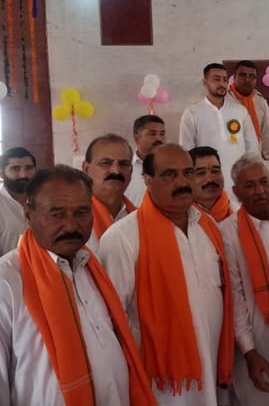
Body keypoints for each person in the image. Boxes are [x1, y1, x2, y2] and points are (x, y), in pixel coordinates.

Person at [0, 165, 157, 406]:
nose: (71, 226)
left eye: (82, 212)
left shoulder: (92, 268)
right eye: (57, 214)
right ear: (29, 214)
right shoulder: (7, 281)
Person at [99, 143, 234, 406]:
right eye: (169, 175)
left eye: (187, 173)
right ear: (148, 180)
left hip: (211, 365)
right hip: (161, 381)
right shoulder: (122, 237)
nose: (182, 183)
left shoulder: (206, 225)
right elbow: (113, 321)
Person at [220, 153, 269, 406]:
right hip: (258, 337)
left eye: (263, 182)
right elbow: (235, 297)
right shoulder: (227, 232)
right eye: (249, 185)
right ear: (236, 193)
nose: (259, 191)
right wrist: (249, 351)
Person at [179, 62, 259, 199]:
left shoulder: (240, 110)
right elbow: (186, 152)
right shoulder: (192, 113)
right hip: (208, 183)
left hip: (238, 181)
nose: (222, 83)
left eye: (224, 79)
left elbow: (252, 148)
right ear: (205, 82)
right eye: (216, 79)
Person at [82, 134, 136, 253]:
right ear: (86, 169)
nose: (116, 171)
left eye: (124, 164)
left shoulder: (139, 218)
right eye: (105, 163)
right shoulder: (75, 220)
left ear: (131, 171)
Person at [229, 61, 269, 161]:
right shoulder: (225, 100)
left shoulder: (260, 101)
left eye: (252, 76)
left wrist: (268, 158)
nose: (247, 79)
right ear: (234, 77)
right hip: (231, 157)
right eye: (242, 75)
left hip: (255, 157)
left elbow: (267, 132)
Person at [0, 147, 36, 255]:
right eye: (15, 169)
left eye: (29, 168)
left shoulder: (44, 200)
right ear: (1, 173)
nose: (24, 175)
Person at [125, 115, 166, 206]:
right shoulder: (124, 168)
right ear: (137, 138)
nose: (159, 139)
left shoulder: (173, 165)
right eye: (152, 134)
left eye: (162, 134)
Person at [189, 146, 235, 220]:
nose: (210, 179)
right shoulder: (181, 217)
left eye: (215, 171)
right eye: (201, 173)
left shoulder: (238, 212)